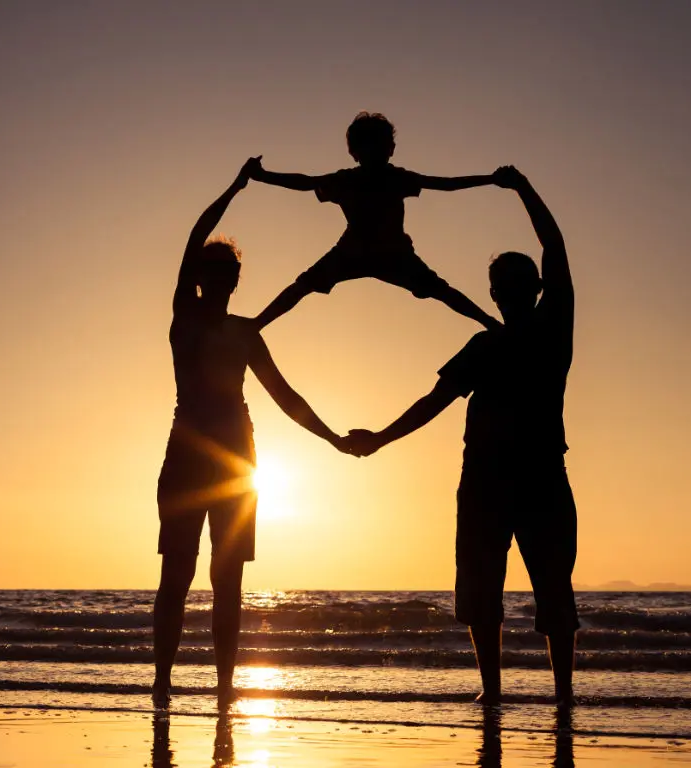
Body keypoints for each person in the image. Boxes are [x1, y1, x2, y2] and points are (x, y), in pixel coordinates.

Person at [344, 166, 579, 707]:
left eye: (518, 285)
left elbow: (555, 245)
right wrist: (379, 438)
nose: (508, 293)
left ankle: (564, 694)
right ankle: (492, 693)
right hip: (484, 484)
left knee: (552, 586)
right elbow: (434, 403)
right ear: (494, 294)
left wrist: (524, 187)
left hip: (541, 476)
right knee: (479, 589)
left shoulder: (551, 328)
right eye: (502, 287)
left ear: (534, 289)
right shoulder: (482, 346)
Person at [153, 160, 346, 710]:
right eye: (208, 273)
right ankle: (162, 685)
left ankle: (223, 688)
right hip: (186, 453)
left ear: (235, 282)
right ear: (198, 278)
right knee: (176, 572)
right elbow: (194, 236)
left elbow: (285, 396)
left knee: (227, 578)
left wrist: (333, 438)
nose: (216, 281)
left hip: (239, 457)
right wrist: (234, 188)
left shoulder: (245, 333)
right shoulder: (184, 319)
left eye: (225, 274)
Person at [245, 111, 500, 329]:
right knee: (303, 284)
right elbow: (306, 183)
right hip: (354, 251)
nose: (375, 151)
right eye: (369, 144)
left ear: (390, 149)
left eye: (380, 144)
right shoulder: (348, 179)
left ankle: (490, 324)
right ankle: (256, 324)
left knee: (439, 289)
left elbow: (445, 185)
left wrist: (490, 179)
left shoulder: (395, 177)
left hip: (392, 253)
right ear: (355, 152)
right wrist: (263, 176)